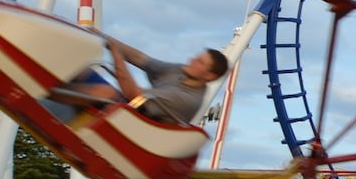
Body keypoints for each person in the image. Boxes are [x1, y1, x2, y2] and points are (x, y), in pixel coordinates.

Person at [51, 40, 227, 126]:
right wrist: (104, 38)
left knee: (107, 93)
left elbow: (132, 94)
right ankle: (41, 77)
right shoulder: (180, 71)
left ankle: (44, 93)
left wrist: (116, 54)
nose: (192, 60)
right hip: (126, 111)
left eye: (200, 63)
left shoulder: (187, 98)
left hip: (133, 129)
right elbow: (141, 59)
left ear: (209, 76)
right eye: (197, 58)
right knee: (83, 68)